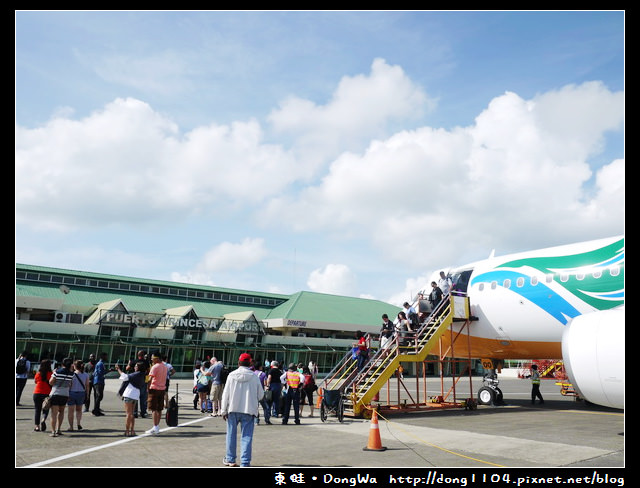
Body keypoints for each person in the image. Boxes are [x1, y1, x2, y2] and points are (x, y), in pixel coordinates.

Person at [221, 353, 264, 467]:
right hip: (248, 409)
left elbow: (225, 394)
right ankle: (245, 462)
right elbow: (261, 395)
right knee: (247, 436)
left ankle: (230, 459)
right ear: (250, 363)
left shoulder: (231, 375)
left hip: (233, 409)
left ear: (239, 363)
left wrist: (223, 410)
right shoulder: (254, 376)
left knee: (231, 434)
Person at [116, 360, 147, 436]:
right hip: (136, 395)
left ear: (139, 367)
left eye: (136, 366)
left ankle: (127, 431)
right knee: (132, 414)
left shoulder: (136, 374)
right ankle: (132, 430)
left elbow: (125, 377)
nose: (135, 367)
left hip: (129, 394)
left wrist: (118, 369)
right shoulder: (142, 374)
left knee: (128, 414)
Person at [48, 357, 74, 437]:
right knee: (61, 412)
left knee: (54, 413)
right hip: (65, 394)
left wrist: (53, 373)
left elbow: (51, 382)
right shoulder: (71, 374)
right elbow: (70, 384)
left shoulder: (57, 371)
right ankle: (58, 429)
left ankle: (53, 431)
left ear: (62, 364)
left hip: (56, 393)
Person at [145, 351, 167, 435]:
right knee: (159, 408)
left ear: (157, 358)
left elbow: (150, 379)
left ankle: (155, 426)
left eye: (152, 358)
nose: (151, 360)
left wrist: (148, 388)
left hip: (154, 389)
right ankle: (157, 425)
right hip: (162, 389)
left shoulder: (155, 367)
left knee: (153, 408)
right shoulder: (165, 367)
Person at [67, 360, 89, 431]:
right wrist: (87, 394)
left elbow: (69, 385)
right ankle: (78, 423)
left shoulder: (71, 374)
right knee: (79, 410)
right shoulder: (85, 374)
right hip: (81, 393)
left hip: (72, 393)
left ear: (75, 366)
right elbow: (87, 385)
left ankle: (71, 427)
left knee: (71, 411)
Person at [33, 359, 52, 432]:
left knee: (37, 410)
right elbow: (52, 383)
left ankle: (37, 426)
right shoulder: (51, 373)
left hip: (37, 393)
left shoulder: (38, 373)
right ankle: (43, 419)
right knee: (46, 408)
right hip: (47, 393)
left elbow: (35, 381)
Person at [131, 350, 149, 418]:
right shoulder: (146, 362)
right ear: (143, 355)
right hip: (143, 381)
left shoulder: (134, 361)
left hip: (135, 381)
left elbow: (127, 368)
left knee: (135, 397)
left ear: (137, 354)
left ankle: (135, 412)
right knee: (143, 398)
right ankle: (143, 412)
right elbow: (148, 371)